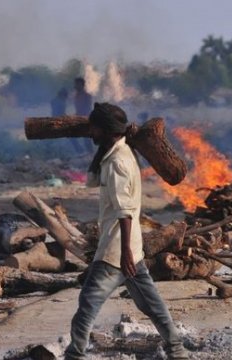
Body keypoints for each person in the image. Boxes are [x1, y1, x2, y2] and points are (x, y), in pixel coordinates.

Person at [65, 103, 189, 360]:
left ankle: (74, 355)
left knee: (87, 306)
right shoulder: (118, 154)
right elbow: (91, 180)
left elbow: (125, 212)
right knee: (151, 304)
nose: (90, 133)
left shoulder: (118, 162)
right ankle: (177, 351)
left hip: (116, 251)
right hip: (131, 249)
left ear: (106, 129)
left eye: (94, 128)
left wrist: (123, 255)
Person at [73, 77, 94, 153]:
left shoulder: (87, 96)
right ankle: (81, 152)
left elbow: (87, 109)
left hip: (85, 119)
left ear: (82, 85)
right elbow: (78, 109)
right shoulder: (76, 96)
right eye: (75, 84)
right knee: (72, 137)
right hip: (78, 119)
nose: (75, 86)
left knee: (87, 139)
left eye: (77, 84)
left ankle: (90, 154)